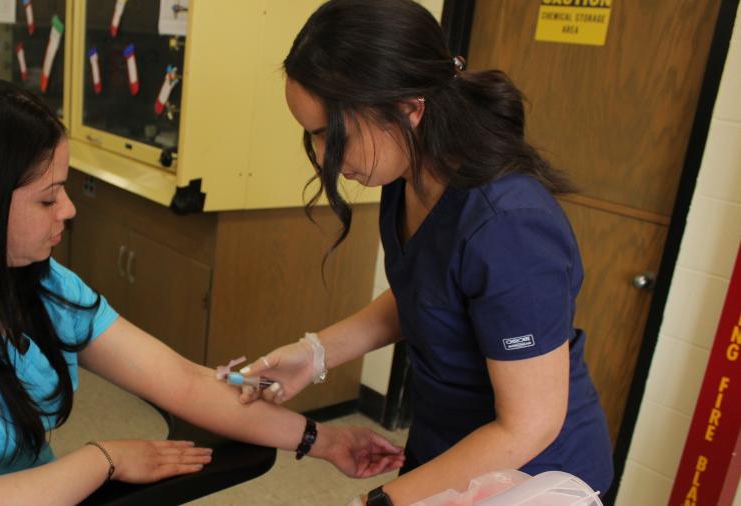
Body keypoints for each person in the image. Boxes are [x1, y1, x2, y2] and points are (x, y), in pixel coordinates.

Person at [0, 79, 405, 505]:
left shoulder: (33, 283)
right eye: (48, 197)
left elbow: (184, 382)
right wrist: (103, 459)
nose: (69, 210)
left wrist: (325, 441)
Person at [237, 0, 614, 503]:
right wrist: (316, 353)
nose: (325, 158)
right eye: (313, 137)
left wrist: (384, 501)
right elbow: (429, 291)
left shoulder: (510, 225)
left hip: (531, 477)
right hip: (450, 451)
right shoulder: (409, 175)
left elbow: (530, 427)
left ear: (411, 109)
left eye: (334, 135)